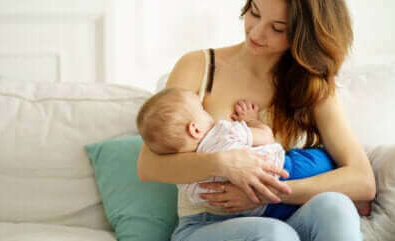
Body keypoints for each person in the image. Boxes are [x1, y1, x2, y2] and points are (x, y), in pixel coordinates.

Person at [137, 0, 375, 241]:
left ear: (304, 35)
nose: (257, 33)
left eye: (277, 28)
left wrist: (267, 193)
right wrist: (226, 163)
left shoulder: (310, 85)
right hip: (205, 225)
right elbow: (148, 166)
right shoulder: (200, 66)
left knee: (335, 207)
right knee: (274, 235)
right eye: (254, 13)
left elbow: (362, 179)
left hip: (281, 214)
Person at [136, 87, 336, 220]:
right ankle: (352, 198)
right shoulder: (223, 132)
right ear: (195, 129)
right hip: (287, 170)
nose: (208, 113)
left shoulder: (187, 182)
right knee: (325, 161)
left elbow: (216, 202)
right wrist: (251, 120)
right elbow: (266, 137)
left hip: (262, 211)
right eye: (202, 110)